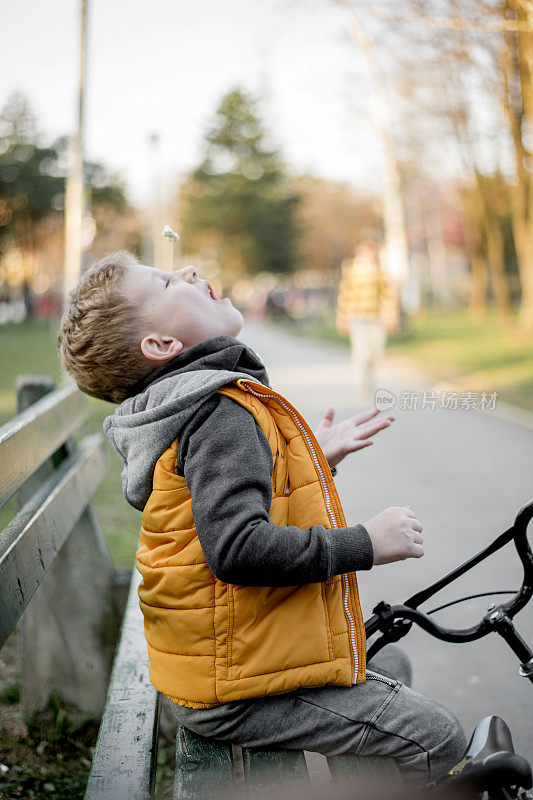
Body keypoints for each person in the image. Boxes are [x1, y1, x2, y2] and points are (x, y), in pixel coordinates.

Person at [57, 250, 466, 788]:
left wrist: (313, 463)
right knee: (436, 737)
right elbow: (238, 549)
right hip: (234, 686)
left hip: (218, 663)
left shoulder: (189, 406)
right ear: (160, 345)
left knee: (391, 670)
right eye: (163, 281)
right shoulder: (216, 410)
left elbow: (231, 508)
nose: (187, 271)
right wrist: (366, 542)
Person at [336, 241, 393, 404]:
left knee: (376, 352)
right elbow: (344, 296)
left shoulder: (379, 272)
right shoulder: (351, 272)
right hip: (357, 317)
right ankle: (362, 385)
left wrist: (390, 315)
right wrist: (342, 317)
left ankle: (370, 377)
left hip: (376, 318)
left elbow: (388, 294)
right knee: (360, 352)